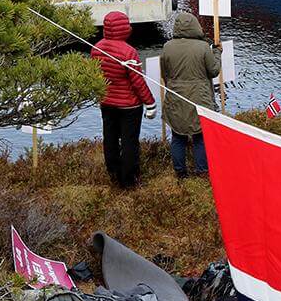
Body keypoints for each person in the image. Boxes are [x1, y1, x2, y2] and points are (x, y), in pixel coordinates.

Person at [90, 11, 156, 189]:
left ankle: (112, 171)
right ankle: (129, 179)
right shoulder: (129, 52)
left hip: (106, 102)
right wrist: (150, 103)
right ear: (124, 28)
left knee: (109, 138)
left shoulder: (96, 49)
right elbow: (138, 82)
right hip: (129, 106)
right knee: (129, 142)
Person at [160, 11, 221, 177]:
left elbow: (164, 74)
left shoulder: (167, 47)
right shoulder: (202, 47)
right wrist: (217, 52)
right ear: (195, 26)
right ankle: (202, 171)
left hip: (176, 97)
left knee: (178, 137)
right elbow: (214, 71)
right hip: (199, 98)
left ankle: (180, 173)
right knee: (200, 137)